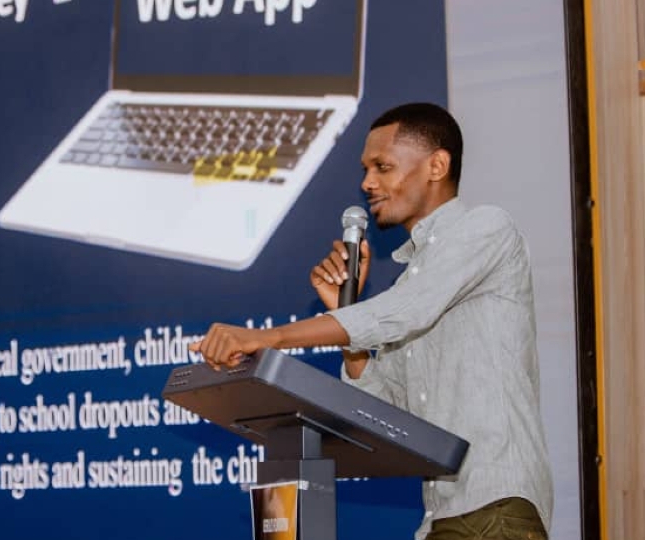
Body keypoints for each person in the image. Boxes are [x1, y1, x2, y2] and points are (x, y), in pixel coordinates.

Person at [190, 102, 553, 540]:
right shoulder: (412, 284)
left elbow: (403, 312)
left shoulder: (487, 228)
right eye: (365, 170)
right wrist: (347, 326)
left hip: (495, 507)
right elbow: (389, 407)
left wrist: (266, 338)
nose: (367, 183)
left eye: (382, 167)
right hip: (442, 514)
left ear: (437, 165)